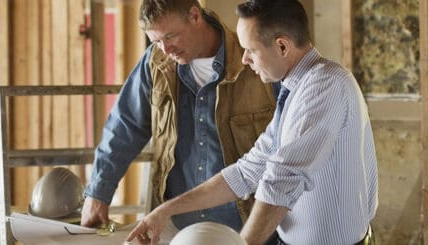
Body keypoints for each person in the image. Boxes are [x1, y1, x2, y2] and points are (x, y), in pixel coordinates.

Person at [126, 0, 378, 244]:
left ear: (282, 46)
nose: (244, 59)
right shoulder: (296, 90)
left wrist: (242, 243)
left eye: (250, 49)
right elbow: (247, 171)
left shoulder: (326, 85)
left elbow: (282, 179)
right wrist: (167, 209)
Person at [81, 0, 277, 233]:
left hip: (248, 227)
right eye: (156, 41)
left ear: (195, 16)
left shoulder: (255, 61)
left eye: (171, 36)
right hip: (178, 227)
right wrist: (98, 194)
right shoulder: (156, 62)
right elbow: (125, 126)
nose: (165, 49)